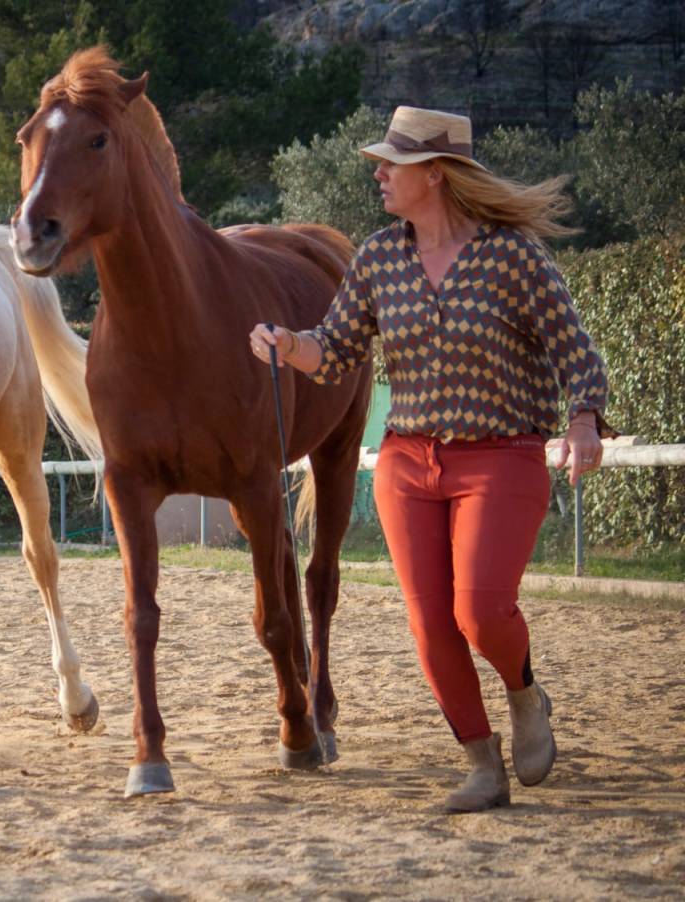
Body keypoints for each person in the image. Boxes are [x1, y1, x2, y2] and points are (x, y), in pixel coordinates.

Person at [250, 105, 613, 813]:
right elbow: (336, 348)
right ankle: (482, 765)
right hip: (408, 465)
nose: (379, 174)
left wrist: (584, 418)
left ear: (436, 175)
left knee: (479, 611)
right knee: (429, 623)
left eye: (394, 163)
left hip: (500, 455)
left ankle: (524, 693)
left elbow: (576, 350)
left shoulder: (512, 256)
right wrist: (288, 344)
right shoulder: (380, 257)